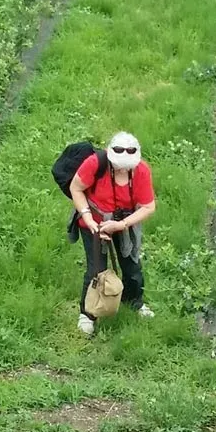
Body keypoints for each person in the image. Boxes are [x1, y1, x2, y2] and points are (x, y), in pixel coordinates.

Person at [67, 132, 157, 335]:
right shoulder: (94, 164)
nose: (122, 170)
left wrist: (122, 225)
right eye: (118, 166)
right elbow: (76, 188)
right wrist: (89, 219)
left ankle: (134, 302)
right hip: (94, 222)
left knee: (132, 265)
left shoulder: (141, 171)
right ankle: (88, 313)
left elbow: (148, 206)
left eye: (127, 167)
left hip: (125, 222)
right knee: (96, 270)